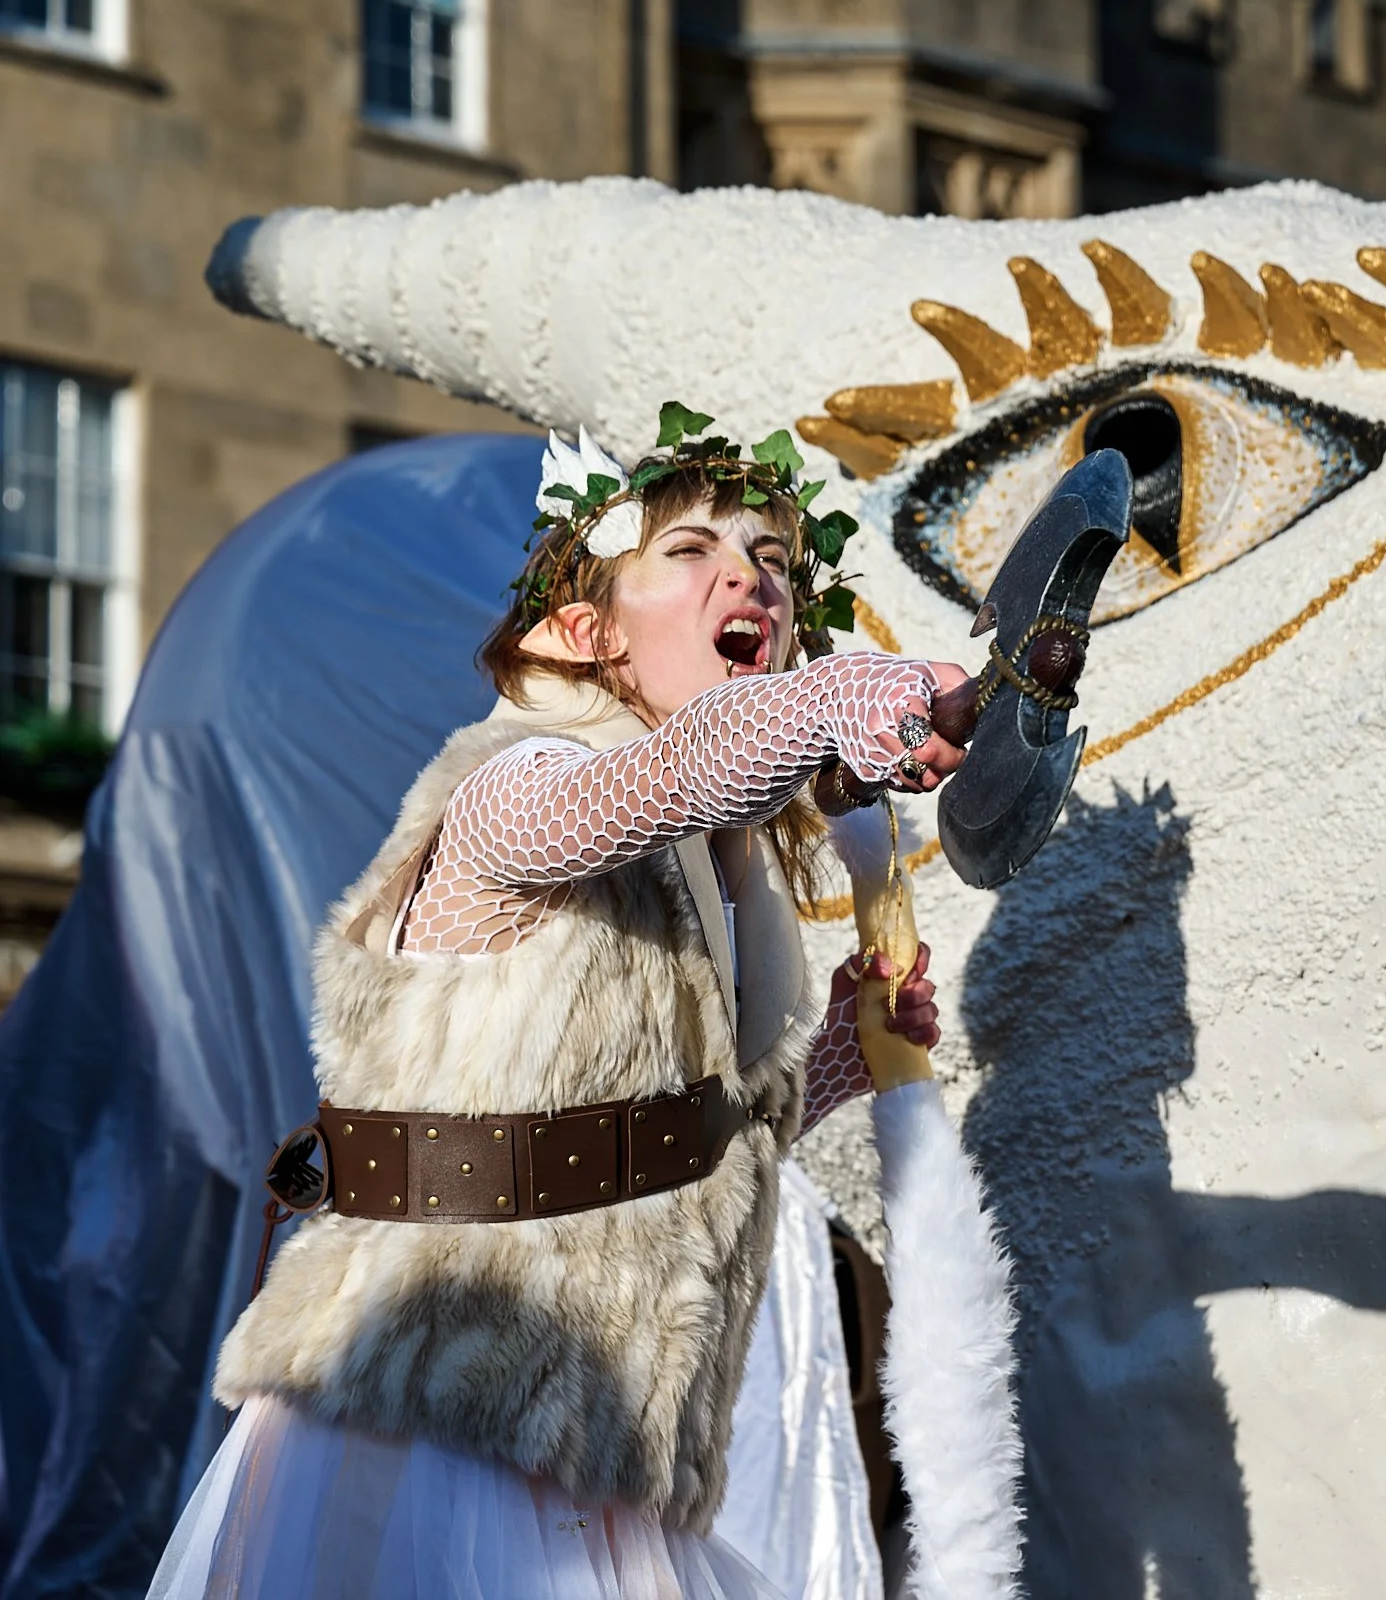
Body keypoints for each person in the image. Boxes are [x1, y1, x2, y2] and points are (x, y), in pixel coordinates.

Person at [147, 417, 970, 1599]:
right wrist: (841, 702)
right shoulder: (516, 787)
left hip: (597, 1464)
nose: (750, 575)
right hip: (428, 1445)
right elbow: (672, 773)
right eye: (688, 549)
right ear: (584, 632)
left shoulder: (702, 877)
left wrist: (837, 1053)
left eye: (774, 563)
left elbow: (673, 1161)